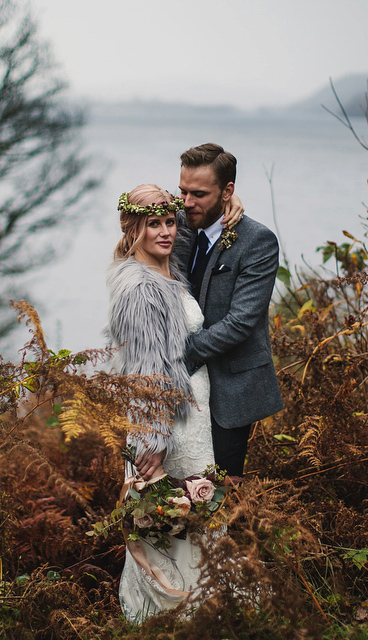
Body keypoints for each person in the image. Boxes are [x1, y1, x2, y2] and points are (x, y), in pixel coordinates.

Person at [107, 183, 240, 622]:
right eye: (153, 224)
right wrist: (154, 441)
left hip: (190, 417)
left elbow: (191, 211)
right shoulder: (140, 287)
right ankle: (178, 615)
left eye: (169, 222)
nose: (165, 231)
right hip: (169, 426)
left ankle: (203, 612)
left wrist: (227, 207)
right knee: (172, 517)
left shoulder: (165, 269)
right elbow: (147, 374)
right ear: (133, 229)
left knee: (192, 516)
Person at [174, 143, 284, 479]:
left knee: (219, 493)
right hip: (180, 390)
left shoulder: (257, 242)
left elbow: (240, 323)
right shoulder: (176, 226)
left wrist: (177, 356)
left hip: (229, 392)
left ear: (228, 191)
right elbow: (140, 207)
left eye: (200, 194)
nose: (188, 202)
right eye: (183, 192)